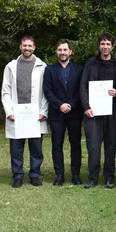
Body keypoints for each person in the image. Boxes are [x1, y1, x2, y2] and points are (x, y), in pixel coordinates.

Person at [79, 32, 116, 189]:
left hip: (112, 112)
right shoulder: (91, 63)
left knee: (111, 145)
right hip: (93, 113)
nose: (105, 47)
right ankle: (93, 177)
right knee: (93, 146)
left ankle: (109, 177)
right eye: (102, 44)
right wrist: (86, 107)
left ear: (112, 46)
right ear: (99, 46)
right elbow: (83, 86)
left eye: (108, 44)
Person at [1, 36, 48, 188]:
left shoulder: (42, 66)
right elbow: (6, 91)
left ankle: (34, 174)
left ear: (34, 47)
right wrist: (9, 112)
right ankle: (18, 176)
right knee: (16, 149)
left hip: (35, 115)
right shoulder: (11, 66)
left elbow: (46, 91)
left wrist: (43, 112)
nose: (27, 48)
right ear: (20, 47)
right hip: (17, 114)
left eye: (30, 46)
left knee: (36, 148)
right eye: (24, 45)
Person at [43, 39, 83, 186]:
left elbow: (81, 90)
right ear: (56, 52)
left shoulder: (79, 69)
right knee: (57, 145)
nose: (62, 52)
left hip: (74, 113)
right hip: (56, 114)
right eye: (60, 50)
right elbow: (47, 90)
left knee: (76, 145)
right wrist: (59, 105)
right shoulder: (49, 70)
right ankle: (59, 175)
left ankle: (76, 175)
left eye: (65, 50)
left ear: (70, 52)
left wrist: (71, 104)